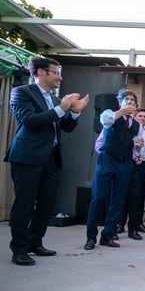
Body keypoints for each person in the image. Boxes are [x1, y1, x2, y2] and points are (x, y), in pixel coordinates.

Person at [7, 57, 89, 265]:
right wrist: (61, 109)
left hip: (51, 158)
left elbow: (66, 127)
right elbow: (29, 121)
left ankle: (35, 242)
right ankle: (19, 249)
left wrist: (75, 111)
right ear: (41, 72)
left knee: (45, 205)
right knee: (24, 205)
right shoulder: (21, 93)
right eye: (56, 73)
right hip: (27, 157)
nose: (60, 78)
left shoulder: (54, 100)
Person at [84, 90, 141, 250]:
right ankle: (91, 237)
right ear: (120, 101)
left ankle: (107, 236)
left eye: (132, 100)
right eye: (127, 99)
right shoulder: (110, 114)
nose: (130, 102)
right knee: (99, 198)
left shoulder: (136, 125)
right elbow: (106, 121)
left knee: (118, 201)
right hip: (107, 160)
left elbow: (136, 150)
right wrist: (122, 111)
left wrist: (138, 148)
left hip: (125, 164)